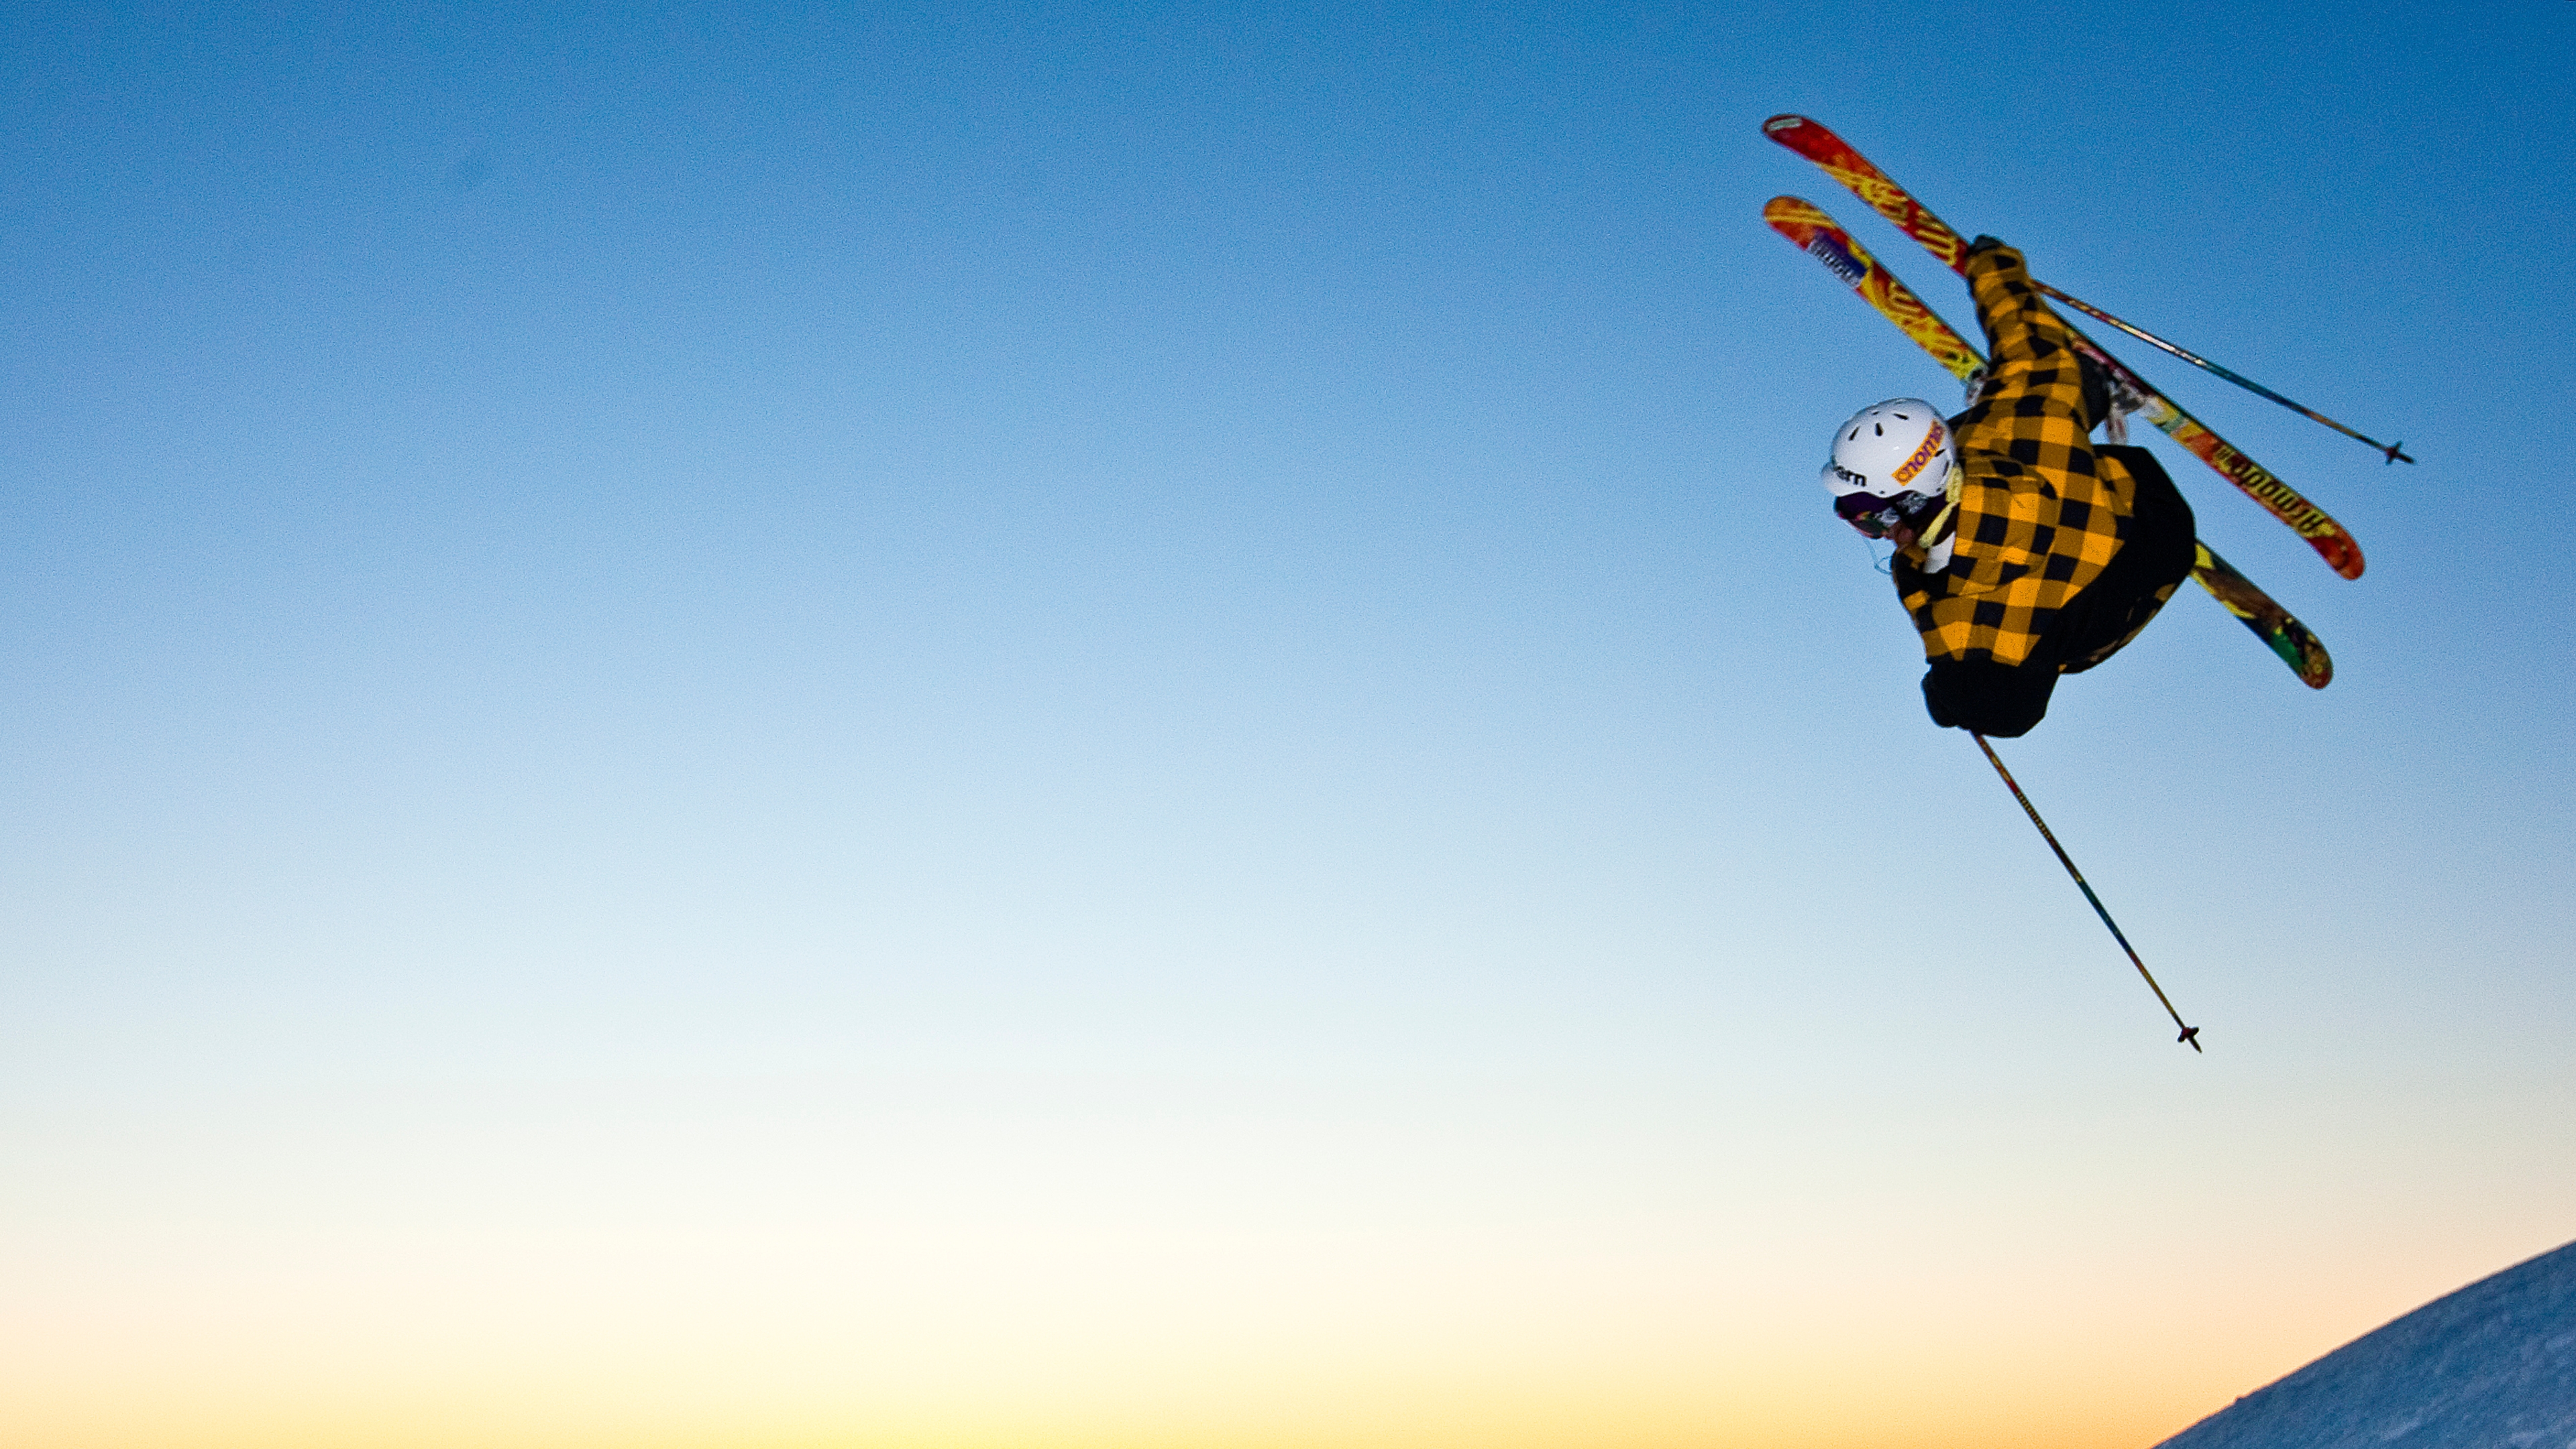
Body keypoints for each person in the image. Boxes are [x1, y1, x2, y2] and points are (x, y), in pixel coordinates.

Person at [1820, 237, 2197, 737]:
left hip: (2151, 544)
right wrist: (1990, 264)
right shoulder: (2017, 418)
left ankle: (2089, 388)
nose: (1873, 532)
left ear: (1913, 501)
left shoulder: (1993, 631)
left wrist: (1953, 699)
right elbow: (2022, 330)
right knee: (2038, 381)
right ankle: (2088, 384)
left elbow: (2013, 716)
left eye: (1870, 517)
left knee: (2061, 654)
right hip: (2124, 482)